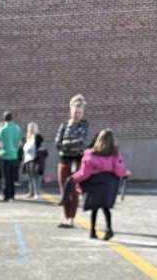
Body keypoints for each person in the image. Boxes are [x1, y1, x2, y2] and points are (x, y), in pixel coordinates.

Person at [67, 128, 129, 240]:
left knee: (94, 208)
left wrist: (73, 178)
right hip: (108, 184)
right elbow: (118, 169)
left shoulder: (90, 155)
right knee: (106, 208)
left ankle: (92, 231)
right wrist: (125, 172)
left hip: (95, 184)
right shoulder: (114, 154)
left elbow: (84, 173)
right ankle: (109, 229)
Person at [55, 94, 89, 228]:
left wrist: (67, 143)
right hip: (64, 161)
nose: (77, 114)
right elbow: (57, 143)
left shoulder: (84, 124)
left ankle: (71, 218)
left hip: (77, 161)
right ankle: (65, 216)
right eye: (75, 111)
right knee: (64, 190)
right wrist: (70, 144)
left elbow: (82, 142)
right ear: (71, 110)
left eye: (80, 112)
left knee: (74, 191)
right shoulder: (64, 125)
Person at [0, 112, 22, 202]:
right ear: (12, 118)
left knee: (5, 177)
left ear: (4, 119)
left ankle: (6, 196)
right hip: (14, 155)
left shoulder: (3, 129)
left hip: (5, 155)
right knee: (12, 177)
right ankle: (12, 195)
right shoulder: (17, 128)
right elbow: (19, 143)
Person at [22, 122, 44, 198]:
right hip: (28, 160)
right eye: (30, 127)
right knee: (30, 177)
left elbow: (40, 147)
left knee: (36, 177)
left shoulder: (37, 136)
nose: (31, 129)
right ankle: (30, 193)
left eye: (32, 127)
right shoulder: (28, 137)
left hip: (35, 159)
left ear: (35, 128)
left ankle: (36, 193)